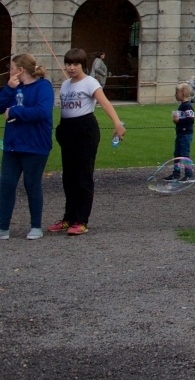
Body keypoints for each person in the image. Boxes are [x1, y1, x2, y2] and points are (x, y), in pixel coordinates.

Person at [50, 47, 128, 235]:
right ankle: (68, 217)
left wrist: (117, 123)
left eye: (75, 64)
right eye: (68, 64)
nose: (71, 68)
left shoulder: (90, 82)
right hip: (68, 130)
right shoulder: (66, 84)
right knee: (68, 177)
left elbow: (105, 103)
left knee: (83, 176)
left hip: (85, 129)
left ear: (82, 65)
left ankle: (81, 220)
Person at [0, 54, 54, 240]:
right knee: (6, 185)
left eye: (12, 67)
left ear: (20, 70)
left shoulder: (43, 87)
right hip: (12, 145)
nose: (10, 71)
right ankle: (3, 227)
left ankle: (36, 226)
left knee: (31, 184)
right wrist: (8, 89)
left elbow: (42, 111)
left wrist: (15, 111)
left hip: (35, 145)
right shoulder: (14, 88)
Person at [170, 82, 195, 181]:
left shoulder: (187, 106)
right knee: (177, 154)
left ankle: (189, 174)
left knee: (184, 154)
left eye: (177, 92)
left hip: (186, 134)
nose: (175, 95)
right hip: (180, 133)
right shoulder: (182, 105)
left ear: (183, 93)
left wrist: (178, 121)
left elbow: (191, 119)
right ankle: (176, 174)